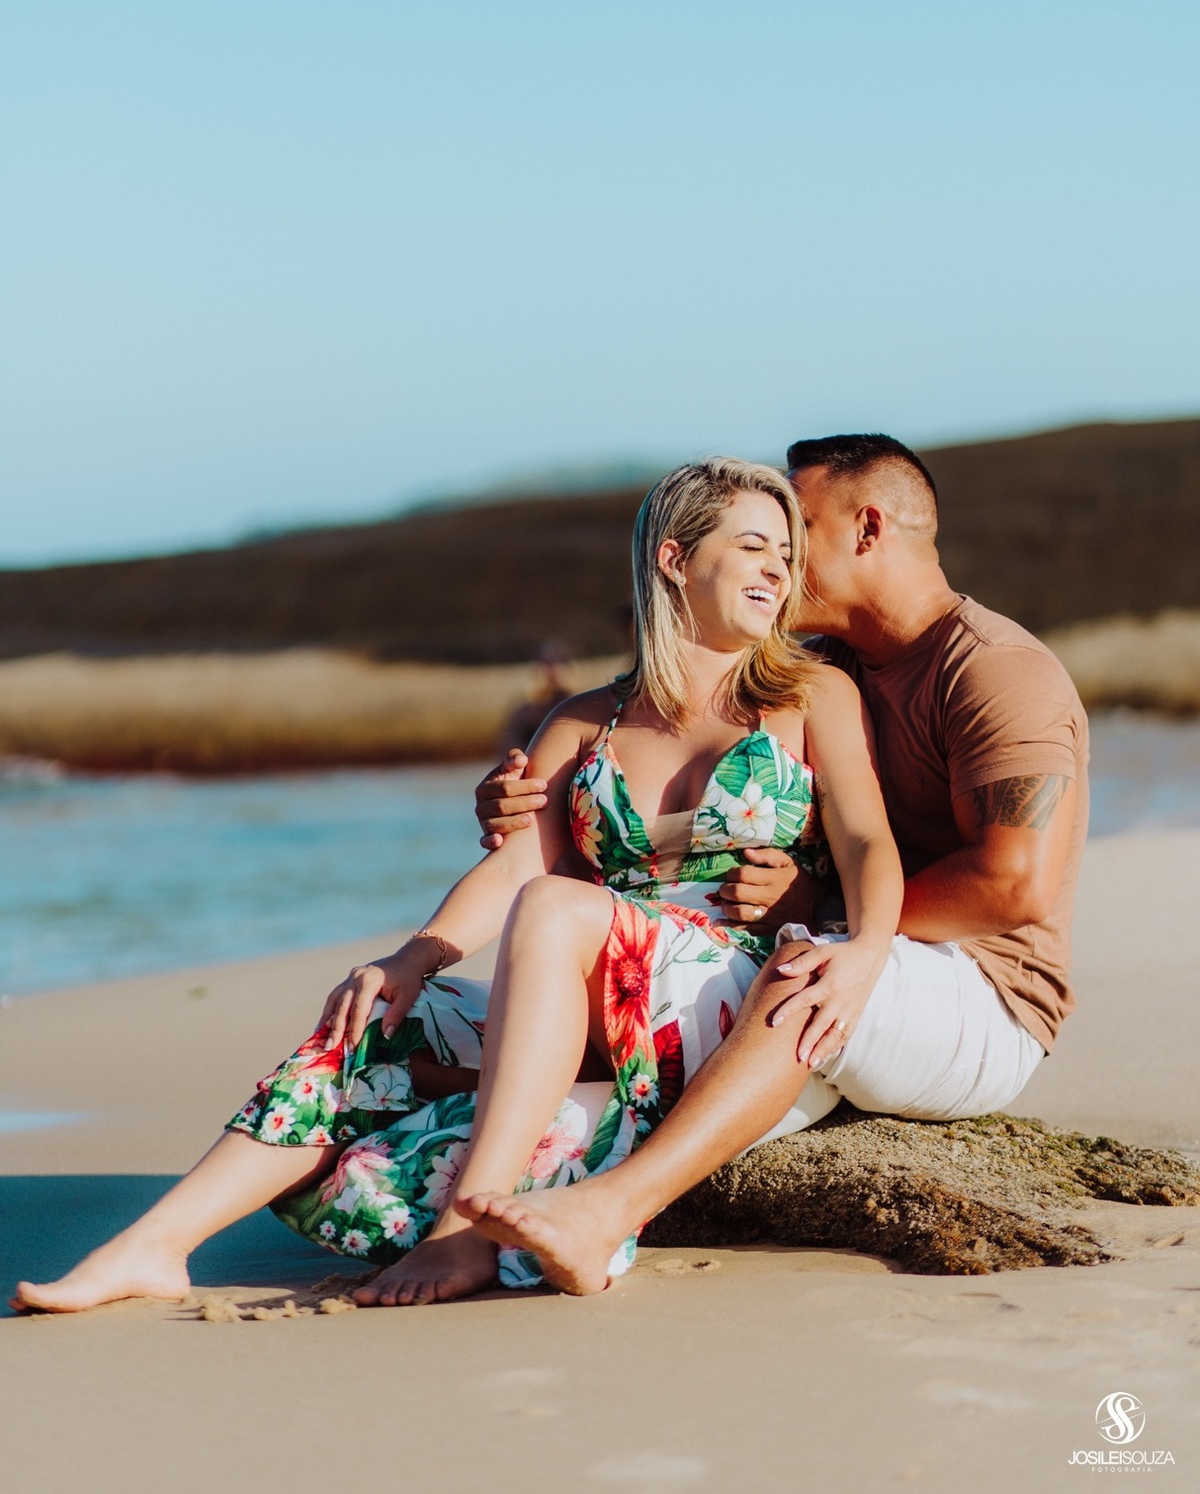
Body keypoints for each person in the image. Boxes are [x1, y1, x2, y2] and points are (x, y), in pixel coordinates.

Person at [13, 457, 903, 1314]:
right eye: (754, 546)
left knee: (557, 907)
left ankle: (464, 1223)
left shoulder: (810, 695)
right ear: (674, 558)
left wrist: (866, 948)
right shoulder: (584, 721)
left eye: (786, 555)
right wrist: (411, 957)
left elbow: (865, 840)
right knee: (370, 1020)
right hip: (588, 992)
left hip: (717, 994)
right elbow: (518, 860)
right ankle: (156, 1244)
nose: (778, 571)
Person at [461, 432, 1087, 1296]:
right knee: (527, 1077)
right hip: (824, 946)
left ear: (868, 528)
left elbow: (1014, 886)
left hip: (980, 992)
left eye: (799, 530)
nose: (780, 561)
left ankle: (610, 1212)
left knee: (799, 966)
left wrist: (827, 907)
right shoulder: (819, 670)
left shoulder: (994, 671)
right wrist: (525, 802)